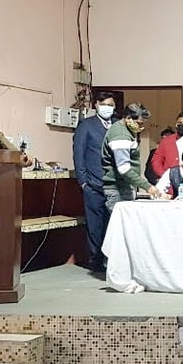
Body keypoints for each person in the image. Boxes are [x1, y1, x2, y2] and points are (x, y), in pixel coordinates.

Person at [72, 91, 116, 272]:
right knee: (95, 225)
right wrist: (83, 182)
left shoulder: (118, 126)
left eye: (111, 105)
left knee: (113, 224)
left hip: (114, 184)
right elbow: (79, 154)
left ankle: (112, 259)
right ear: (96, 105)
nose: (108, 108)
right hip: (93, 184)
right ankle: (96, 260)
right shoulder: (86, 125)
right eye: (104, 104)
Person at [102, 103, 162, 211]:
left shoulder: (126, 130)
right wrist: (147, 186)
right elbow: (123, 168)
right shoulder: (121, 135)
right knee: (121, 222)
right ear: (128, 118)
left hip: (125, 187)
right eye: (139, 123)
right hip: (118, 190)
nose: (140, 126)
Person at [150, 112, 183, 179]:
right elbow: (157, 160)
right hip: (169, 181)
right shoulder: (166, 141)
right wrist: (163, 175)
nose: (182, 125)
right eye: (179, 123)